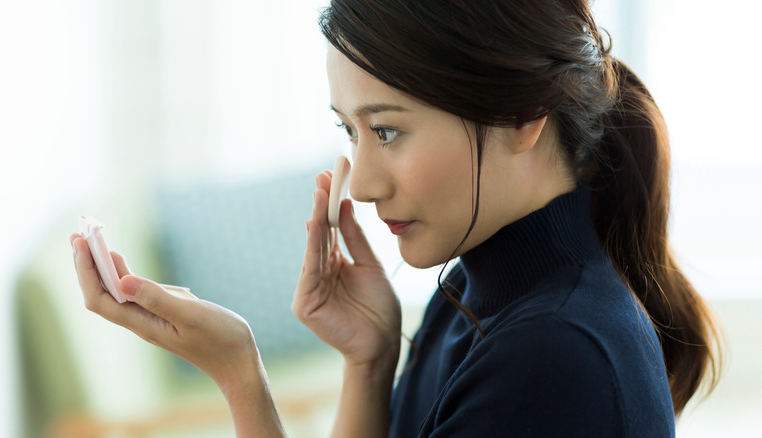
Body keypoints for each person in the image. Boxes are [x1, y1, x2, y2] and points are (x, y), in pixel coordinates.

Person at [70, 0, 722, 436]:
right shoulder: (475, 289)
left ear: (522, 114)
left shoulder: (551, 355)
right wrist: (368, 360)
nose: (363, 183)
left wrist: (240, 373)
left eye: (386, 131)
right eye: (350, 131)